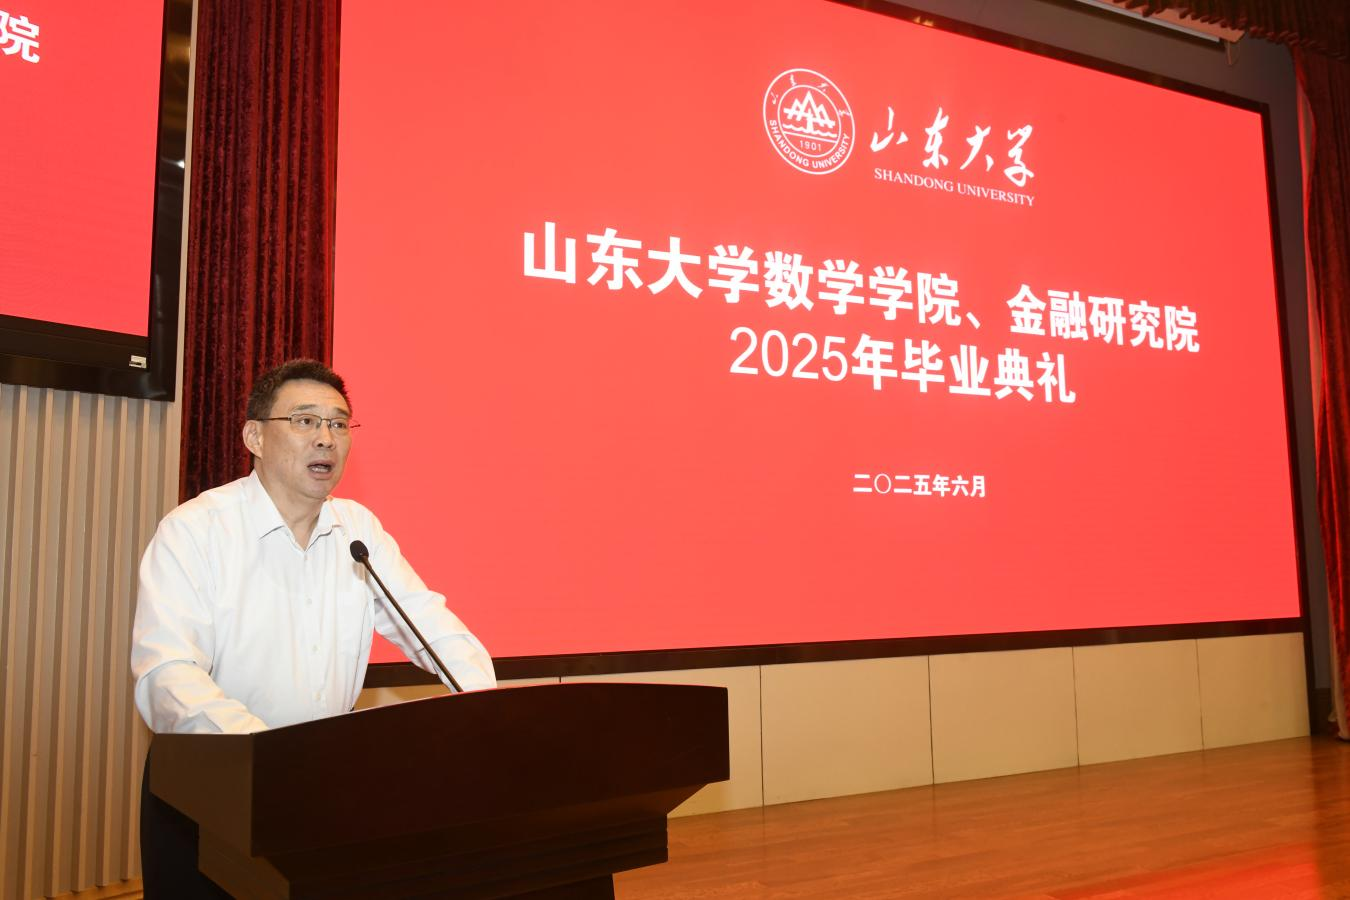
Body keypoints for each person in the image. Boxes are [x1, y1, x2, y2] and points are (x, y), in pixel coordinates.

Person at [130, 358, 495, 897]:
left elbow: (429, 623)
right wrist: (268, 758)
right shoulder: (196, 530)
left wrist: (490, 713)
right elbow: (167, 673)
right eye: (304, 421)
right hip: (209, 785)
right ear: (255, 437)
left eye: (339, 423)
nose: (326, 438)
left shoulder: (358, 530)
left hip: (321, 790)